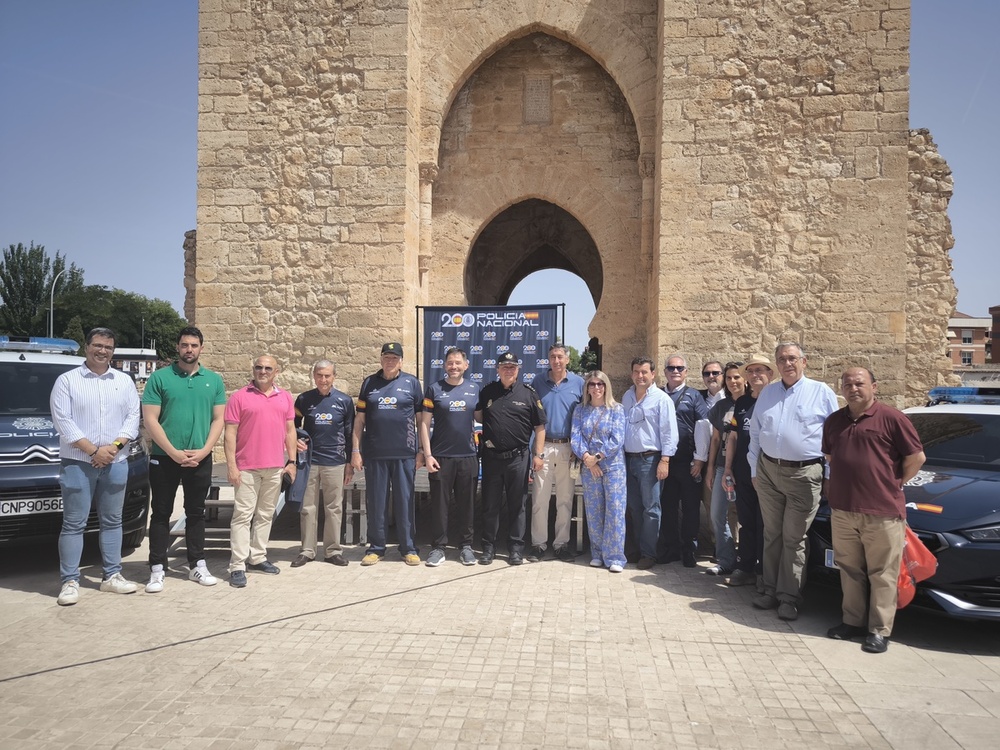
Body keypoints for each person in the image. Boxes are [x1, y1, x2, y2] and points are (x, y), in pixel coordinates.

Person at [822, 368, 925, 654]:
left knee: (883, 573)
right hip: (844, 510)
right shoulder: (833, 422)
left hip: (882, 511)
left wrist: (895, 483)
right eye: (848, 384)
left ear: (874, 387)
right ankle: (852, 622)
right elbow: (830, 457)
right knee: (849, 569)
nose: (853, 388)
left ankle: (879, 630)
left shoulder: (892, 418)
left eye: (859, 383)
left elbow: (916, 457)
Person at [50, 327, 141, 605]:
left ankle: (112, 576)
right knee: (74, 523)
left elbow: (132, 417)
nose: (102, 351)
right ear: (86, 346)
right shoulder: (67, 381)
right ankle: (69, 581)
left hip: (116, 461)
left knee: (113, 521)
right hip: (78, 462)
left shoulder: (123, 381)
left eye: (108, 347)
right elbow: (63, 421)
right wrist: (94, 451)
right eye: (98, 345)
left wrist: (112, 450)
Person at [748, 342, 838, 620]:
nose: (787, 364)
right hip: (768, 471)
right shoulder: (768, 394)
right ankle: (769, 589)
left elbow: (833, 439)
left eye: (792, 359)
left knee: (794, 537)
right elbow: (755, 433)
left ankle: (789, 597)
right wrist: (754, 469)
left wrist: (828, 476)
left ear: (804, 361)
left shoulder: (820, 392)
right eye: (782, 360)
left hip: (804, 474)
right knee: (772, 534)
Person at [142, 326, 227, 593]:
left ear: (201, 348)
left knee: (196, 512)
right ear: (177, 347)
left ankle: (197, 564)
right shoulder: (160, 378)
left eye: (193, 345)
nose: (189, 349)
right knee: (161, 513)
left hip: (199, 457)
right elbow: (150, 420)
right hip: (164, 457)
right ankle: (157, 568)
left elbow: (219, 420)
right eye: (184, 345)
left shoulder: (213, 380)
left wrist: (203, 451)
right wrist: (172, 452)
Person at [224, 354, 297, 587]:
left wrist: (292, 461)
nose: (262, 371)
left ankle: (257, 557)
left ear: (276, 372)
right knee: (243, 516)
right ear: (253, 370)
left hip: (274, 467)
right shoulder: (238, 397)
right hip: (246, 468)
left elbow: (290, 431)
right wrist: (232, 466)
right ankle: (237, 565)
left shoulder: (284, 397)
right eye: (258, 367)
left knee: (265, 515)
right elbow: (230, 434)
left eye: (268, 368)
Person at [352, 342, 423, 566]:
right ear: (381, 359)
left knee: (405, 502)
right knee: (376, 503)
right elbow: (359, 420)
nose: (390, 361)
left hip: (404, 454)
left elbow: (421, 420)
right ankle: (376, 548)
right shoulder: (369, 383)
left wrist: (421, 450)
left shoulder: (412, 383)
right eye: (386, 357)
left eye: (394, 357)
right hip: (375, 453)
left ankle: (408, 548)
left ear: (401, 361)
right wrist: (355, 450)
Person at [475, 351, 546, 566]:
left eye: (512, 367)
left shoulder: (529, 394)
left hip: (518, 458)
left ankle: (516, 549)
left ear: (518, 370)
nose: (508, 370)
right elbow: (477, 416)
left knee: (518, 506)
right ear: (497, 369)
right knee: (490, 505)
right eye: (504, 366)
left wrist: (539, 454)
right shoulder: (487, 391)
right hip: (492, 458)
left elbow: (540, 426)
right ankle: (488, 548)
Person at [419, 347, 481, 567]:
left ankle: (466, 547)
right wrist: (427, 454)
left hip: (467, 456)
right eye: (450, 363)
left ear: (466, 365)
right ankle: (438, 548)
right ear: (445, 365)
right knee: (439, 506)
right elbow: (424, 424)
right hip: (441, 457)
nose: (453, 366)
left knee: (467, 506)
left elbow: (483, 417)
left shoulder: (475, 389)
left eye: (458, 363)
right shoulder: (434, 389)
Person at [290, 359, 355, 568]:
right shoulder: (303, 400)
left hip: (335, 461)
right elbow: (292, 426)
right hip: (309, 462)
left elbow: (349, 432)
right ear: (314, 376)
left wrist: (349, 463)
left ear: (334, 377)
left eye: (327, 375)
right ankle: (307, 550)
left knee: (334, 507)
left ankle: (332, 551)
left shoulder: (344, 401)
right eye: (319, 375)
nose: (323, 379)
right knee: (308, 507)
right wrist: (297, 440)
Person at [529, 343, 584, 562]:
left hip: (568, 448)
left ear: (567, 360)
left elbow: (582, 417)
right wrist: (536, 451)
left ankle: (561, 544)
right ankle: (538, 544)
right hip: (544, 447)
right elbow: (533, 418)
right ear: (548, 360)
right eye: (552, 357)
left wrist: (578, 448)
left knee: (565, 499)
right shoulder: (538, 382)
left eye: (560, 356)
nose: (557, 361)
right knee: (539, 499)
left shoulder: (579, 383)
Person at [722, 355, 774, 588]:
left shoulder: (775, 400)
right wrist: (728, 468)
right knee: (746, 521)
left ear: (770, 374)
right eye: (750, 371)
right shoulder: (742, 403)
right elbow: (733, 437)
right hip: (743, 473)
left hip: (769, 475)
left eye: (760, 371)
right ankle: (746, 568)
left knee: (766, 524)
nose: (755, 375)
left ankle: (764, 572)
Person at [621, 356, 678, 570]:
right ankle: (636, 549)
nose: (640, 376)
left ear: (653, 374)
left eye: (644, 372)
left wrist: (665, 460)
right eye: (636, 371)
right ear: (631, 374)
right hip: (629, 459)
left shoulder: (662, 399)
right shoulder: (627, 396)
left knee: (651, 508)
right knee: (634, 507)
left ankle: (649, 553)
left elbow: (669, 432)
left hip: (651, 460)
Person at [571, 370, 626, 572]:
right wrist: (587, 458)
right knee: (594, 510)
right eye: (592, 384)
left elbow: (618, 439)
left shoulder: (617, 409)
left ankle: (615, 557)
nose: (596, 388)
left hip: (613, 467)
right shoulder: (580, 410)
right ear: (587, 388)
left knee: (615, 510)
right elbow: (575, 436)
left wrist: (598, 458)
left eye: (600, 384)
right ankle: (597, 553)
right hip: (589, 467)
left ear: (606, 386)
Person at [657, 355, 710, 567]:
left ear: (686, 372)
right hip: (666, 462)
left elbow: (704, 426)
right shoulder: (658, 394)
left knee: (690, 509)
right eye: (671, 367)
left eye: (680, 368)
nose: (675, 371)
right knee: (667, 507)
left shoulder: (694, 396)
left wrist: (699, 460)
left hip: (689, 462)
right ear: (665, 371)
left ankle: (689, 549)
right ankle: (671, 549)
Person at [703, 361, 744, 576]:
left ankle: (747, 561)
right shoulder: (721, 407)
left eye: (737, 377)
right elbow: (716, 439)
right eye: (729, 378)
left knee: (746, 517)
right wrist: (710, 468)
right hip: (721, 468)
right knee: (717, 515)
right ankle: (726, 559)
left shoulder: (753, 404)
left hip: (745, 470)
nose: (733, 381)